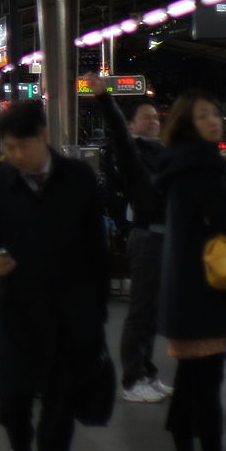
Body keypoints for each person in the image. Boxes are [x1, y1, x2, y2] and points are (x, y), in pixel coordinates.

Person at [0, 101, 109, 451]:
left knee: (59, 404)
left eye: (21, 147)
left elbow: (95, 249)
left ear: (43, 137)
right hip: (17, 311)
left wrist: (97, 313)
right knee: (12, 400)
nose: (13, 156)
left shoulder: (79, 178)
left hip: (71, 312)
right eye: (7, 148)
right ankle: (18, 448)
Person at [154, 91, 226, 451]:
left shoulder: (174, 164)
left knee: (190, 381)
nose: (215, 121)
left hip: (181, 290)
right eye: (204, 116)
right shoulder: (206, 164)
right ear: (188, 125)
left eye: (215, 113)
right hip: (207, 292)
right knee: (206, 384)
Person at [85, 74, 173, 405]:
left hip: (166, 239)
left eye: (155, 117)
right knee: (141, 311)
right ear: (133, 125)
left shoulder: (165, 153)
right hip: (146, 237)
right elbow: (119, 133)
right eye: (145, 118)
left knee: (152, 311)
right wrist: (105, 98)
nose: (152, 121)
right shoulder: (131, 153)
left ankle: (148, 372)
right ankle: (132, 378)